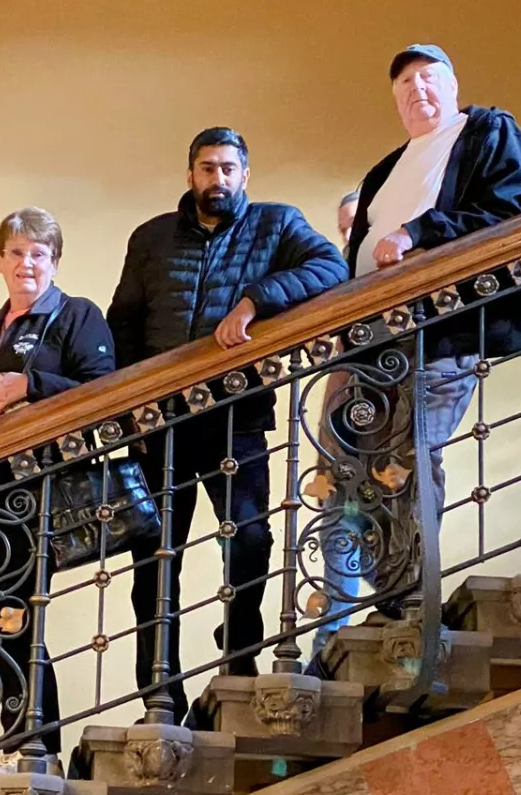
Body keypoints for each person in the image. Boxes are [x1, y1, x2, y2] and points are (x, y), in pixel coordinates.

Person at [107, 126, 347, 721]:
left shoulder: (276, 223)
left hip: (235, 413)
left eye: (228, 169)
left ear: (245, 174)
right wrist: (130, 398)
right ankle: (160, 692)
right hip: (159, 425)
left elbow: (330, 267)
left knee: (251, 536)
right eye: (207, 168)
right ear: (190, 175)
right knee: (155, 561)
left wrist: (254, 301)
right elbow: (124, 323)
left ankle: (238, 656)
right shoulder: (151, 237)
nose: (218, 179)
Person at [318, 45, 521, 645]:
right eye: (404, 83)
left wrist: (417, 233)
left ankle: (417, 599)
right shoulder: (384, 170)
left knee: (413, 456)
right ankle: (394, 597)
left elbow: (506, 209)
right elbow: (357, 251)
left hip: (443, 325)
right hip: (372, 338)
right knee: (366, 465)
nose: (416, 88)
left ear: (453, 83)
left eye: (427, 77)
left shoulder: (486, 130)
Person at [0, 207, 115, 769]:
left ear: (55, 262)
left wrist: (32, 384)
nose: (28, 263)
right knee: (4, 626)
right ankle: (20, 741)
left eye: (39, 254)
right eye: (17, 252)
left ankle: (36, 745)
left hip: (46, 490)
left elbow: (104, 393)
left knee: (28, 621)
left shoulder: (77, 317)